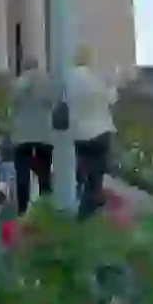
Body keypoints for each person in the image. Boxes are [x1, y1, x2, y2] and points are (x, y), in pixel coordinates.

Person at [66, 46, 119, 218]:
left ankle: (81, 201)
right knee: (96, 173)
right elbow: (111, 98)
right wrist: (114, 84)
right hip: (100, 131)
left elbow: (63, 101)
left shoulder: (68, 78)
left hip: (79, 132)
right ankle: (87, 209)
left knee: (82, 167)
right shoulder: (96, 78)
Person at [10, 58, 53, 214]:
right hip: (44, 134)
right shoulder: (47, 82)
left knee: (22, 173)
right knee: (45, 174)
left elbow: (13, 106)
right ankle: (46, 209)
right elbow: (52, 103)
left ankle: (22, 209)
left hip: (22, 135)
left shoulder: (18, 83)